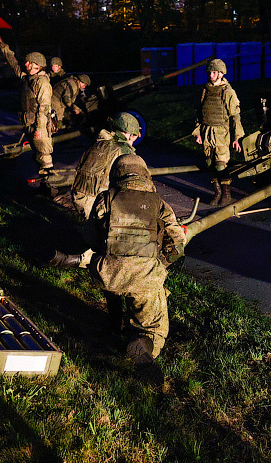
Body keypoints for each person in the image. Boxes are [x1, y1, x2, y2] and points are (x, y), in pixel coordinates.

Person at [48, 154, 185, 380]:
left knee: (109, 271)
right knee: (154, 325)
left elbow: (91, 238)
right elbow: (178, 246)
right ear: (145, 175)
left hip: (109, 274)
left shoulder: (105, 199)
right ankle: (143, 343)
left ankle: (114, 322)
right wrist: (159, 264)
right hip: (145, 277)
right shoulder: (159, 204)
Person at [0, 31, 54, 172]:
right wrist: (2, 45)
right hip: (28, 121)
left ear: (37, 65)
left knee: (44, 153)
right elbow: (13, 63)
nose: (26, 64)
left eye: (29, 62)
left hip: (37, 123)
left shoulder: (42, 82)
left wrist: (39, 129)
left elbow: (44, 107)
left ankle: (50, 183)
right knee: (37, 153)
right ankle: (44, 180)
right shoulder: (28, 78)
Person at [69, 112, 141, 218]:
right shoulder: (123, 149)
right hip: (96, 205)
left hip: (79, 198)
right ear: (131, 134)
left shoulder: (99, 143)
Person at [192, 58, 244, 206]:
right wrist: (198, 133)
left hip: (221, 133)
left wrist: (237, 137)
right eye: (210, 72)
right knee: (210, 163)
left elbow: (235, 116)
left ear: (221, 73)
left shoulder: (228, 92)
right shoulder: (204, 90)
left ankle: (226, 194)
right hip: (206, 132)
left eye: (214, 72)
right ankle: (218, 192)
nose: (211, 75)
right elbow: (199, 113)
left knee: (221, 164)